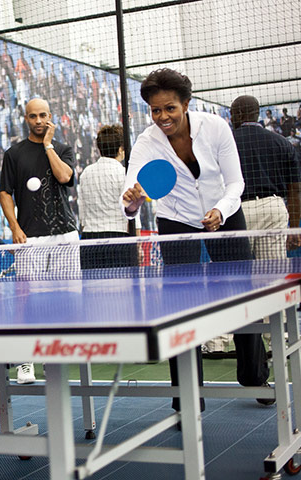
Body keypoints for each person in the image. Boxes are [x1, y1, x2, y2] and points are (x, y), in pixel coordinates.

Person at [121, 69, 272, 410]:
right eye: (156, 110)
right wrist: (132, 198)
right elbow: (129, 197)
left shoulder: (216, 128)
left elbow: (236, 183)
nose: (163, 117)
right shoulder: (147, 142)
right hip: (176, 221)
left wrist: (220, 210)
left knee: (242, 295)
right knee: (179, 305)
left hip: (225, 214)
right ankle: (186, 394)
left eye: (170, 108)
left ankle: (254, 376)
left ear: (186, 104)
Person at [0, 97, 79, 384]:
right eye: (33, 116)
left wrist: (48, 145)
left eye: (43, 115)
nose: (38, 121)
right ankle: (25, 361)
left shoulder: (63, 149)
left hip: (65, 236)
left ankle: (54, 357)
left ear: (50, 116)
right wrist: (14, 226)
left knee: (64, 300)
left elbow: (64, 175)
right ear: (26, 119)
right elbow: (5, 193)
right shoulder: (14, 153)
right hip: (29, 238)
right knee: (26, 302)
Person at [230, 95, 301, 258]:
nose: (231, 118)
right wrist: (295, 229)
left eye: (232, 113)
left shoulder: (228, 142)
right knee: (273, 273)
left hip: (238, 210)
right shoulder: (283, 142)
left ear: (239, 114)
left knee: (238, 272)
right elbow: (295, 189)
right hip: (273, 208)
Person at [78, 124, 138, 269]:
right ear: (120, 149)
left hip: (89, 240)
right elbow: (133, 214)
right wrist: (138, 246)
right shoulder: (125, 173)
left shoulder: (86, 172)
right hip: (118, 240)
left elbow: (82, 214)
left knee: (92, 289)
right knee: (123, 290)